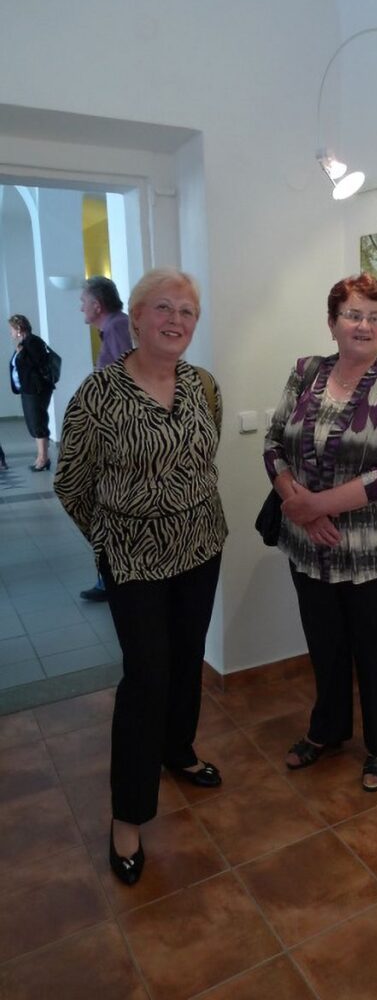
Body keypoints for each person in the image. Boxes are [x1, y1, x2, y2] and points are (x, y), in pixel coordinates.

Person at [54, 267, 227, 886]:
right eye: (163, 307)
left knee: (187, 659)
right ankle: (127, 816)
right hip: (134, 561)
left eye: (187, 311)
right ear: (137, 315)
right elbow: (71, 483)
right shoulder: (98, 395)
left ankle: (178, 751)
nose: (175, 320)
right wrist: (109, 540)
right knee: (146, 678)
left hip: (201, 546)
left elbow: (204, 459)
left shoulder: (203, 386)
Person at [263, 273, 377, 793]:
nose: (364, 325)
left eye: (375, 317)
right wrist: (304, 511)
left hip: (375, 551)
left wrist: (315, 505)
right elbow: (273, 443)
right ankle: (327, 730)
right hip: (309, 546)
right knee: (325, 644)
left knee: (375, 650)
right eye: (354, 315)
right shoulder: (305, 373)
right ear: (332, 322)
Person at [79, 276, 133, 602]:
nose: (80, 308)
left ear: (97, 305)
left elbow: (128, 380)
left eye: (83, 301)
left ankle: (113, 579)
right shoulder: (113, 327)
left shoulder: (117, 328)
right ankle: (108, 578)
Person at [8, 314, 54, 471]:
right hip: (28, 389)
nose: (11, 333)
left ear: (19, 329)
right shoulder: (25, 343)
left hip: (36, 389)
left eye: (12, 329)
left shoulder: (33, 342)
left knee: (37, 422)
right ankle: (41, 457)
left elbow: (38, 363)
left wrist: (21, 354)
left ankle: (43, 458)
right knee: (34, 423)